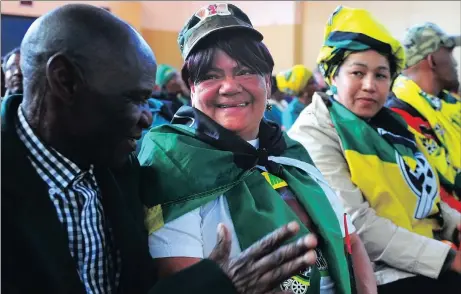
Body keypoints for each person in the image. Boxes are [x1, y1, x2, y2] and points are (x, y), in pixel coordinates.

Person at [2, 4, 330, 294]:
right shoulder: (164, 162)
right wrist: (214, 285)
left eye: (246, 71)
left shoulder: (120, 167)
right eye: (134, 99)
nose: (148, 119)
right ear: (65, 81)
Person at [139, 3, 376, 294]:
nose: (229, 86)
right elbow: (184, 279)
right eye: (211, 75)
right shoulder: (174, 163)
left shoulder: (291, 152)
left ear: (266, 80)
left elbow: (350, 239)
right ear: (191, 88)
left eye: (245, 71)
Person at [288, 6, 461, 293]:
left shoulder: (390, 125)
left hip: (424, 259)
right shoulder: (314, 131)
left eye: (381, 76)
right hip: (379, 274)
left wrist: (456, 224)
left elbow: (423, 197)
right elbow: (358, 226)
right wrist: (449, 259)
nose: (370, 85)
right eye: (357, 72)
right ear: (333, 76)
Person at [386, 23, 461, 212]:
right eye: (449, 53)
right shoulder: (399, 117)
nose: (455, 63)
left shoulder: (448, 104)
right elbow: (438, 193)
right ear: (432, 60)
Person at [277, 65, 319, 130]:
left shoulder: (318, 103)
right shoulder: (291, 113)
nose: (316, 85)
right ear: (303, 89)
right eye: (312, 83)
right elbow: (294, 138)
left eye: (315, 81)